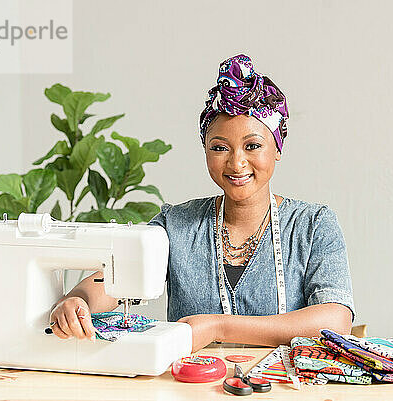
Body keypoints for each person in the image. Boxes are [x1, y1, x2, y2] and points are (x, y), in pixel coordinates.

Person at [48, 54, 355, 352]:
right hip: (189, 387)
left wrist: (218, 327)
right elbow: (111, 281)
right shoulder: (175, 225)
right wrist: (77, 302)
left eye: (252, 145)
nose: (236, 163)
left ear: (277, 148)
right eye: (220, 147)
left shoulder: (314, 225)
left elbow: (335, 320)